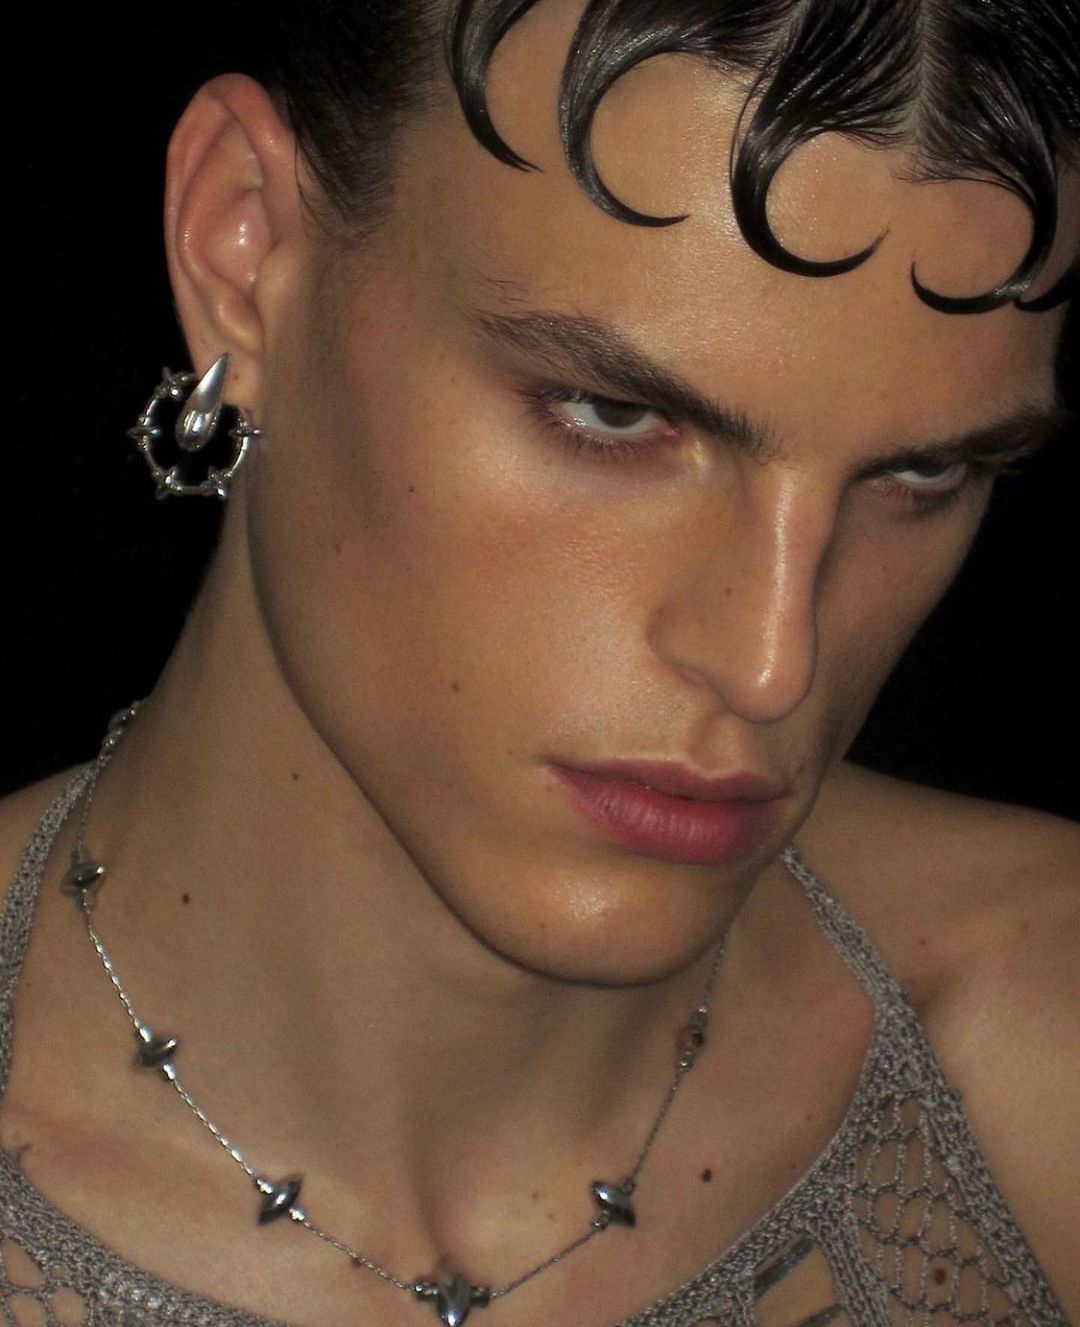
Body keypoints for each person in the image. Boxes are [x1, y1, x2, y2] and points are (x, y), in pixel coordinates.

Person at [0, 1, 1077, 1324]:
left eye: (926, 472)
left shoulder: (1044, 1046)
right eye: (613, 414)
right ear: (247, 247)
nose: (771, 664)